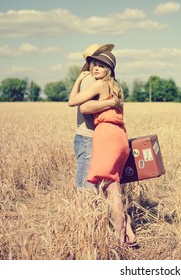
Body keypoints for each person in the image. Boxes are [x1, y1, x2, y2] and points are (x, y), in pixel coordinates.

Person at [68, 50, 137, 248]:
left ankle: (119, 238)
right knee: (113, 187)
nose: (95, 68)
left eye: (100, 65)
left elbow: (77, 104)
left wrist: (77, 81)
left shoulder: (99, 84)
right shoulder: (117, 87)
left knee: (110, 189)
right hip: (120, 137)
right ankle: (128, 233)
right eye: (93, 65)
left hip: (106, 136)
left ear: (108, 69)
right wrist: (109, 101)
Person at [72, 43, 121, 189]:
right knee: (86, 184)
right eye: (97, 61)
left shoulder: (105, 83)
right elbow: (83, 107)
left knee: (93, 182)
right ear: (91, 63)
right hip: (88, 136)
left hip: (95, 136)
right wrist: (112, 102)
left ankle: (93, 210)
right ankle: (84, 210)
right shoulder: (91, 80)